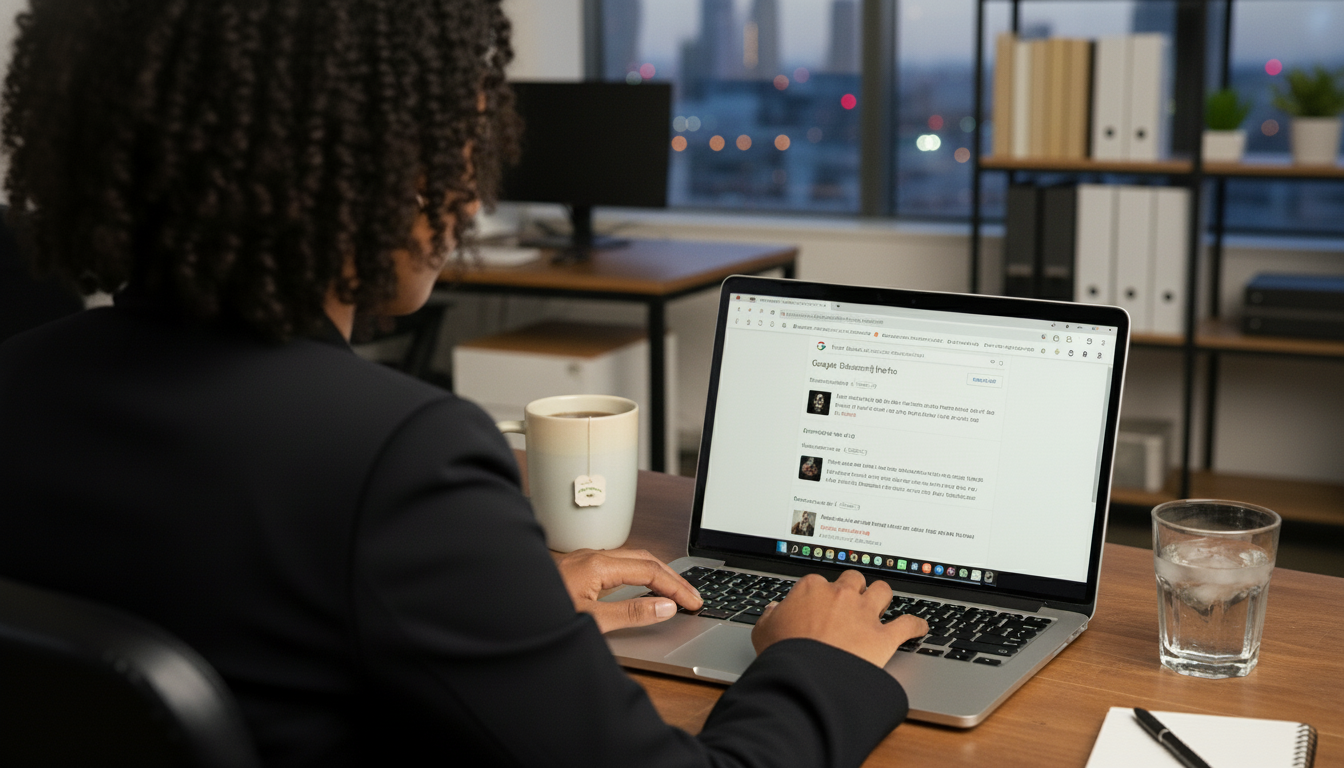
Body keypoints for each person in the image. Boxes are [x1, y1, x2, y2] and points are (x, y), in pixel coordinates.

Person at [0, 2, 928, 767]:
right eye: (447, 148)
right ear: (355, 169)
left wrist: (494, 603)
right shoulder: (398, 456)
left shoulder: (22, 376)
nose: (466, 195)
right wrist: (815, 661)